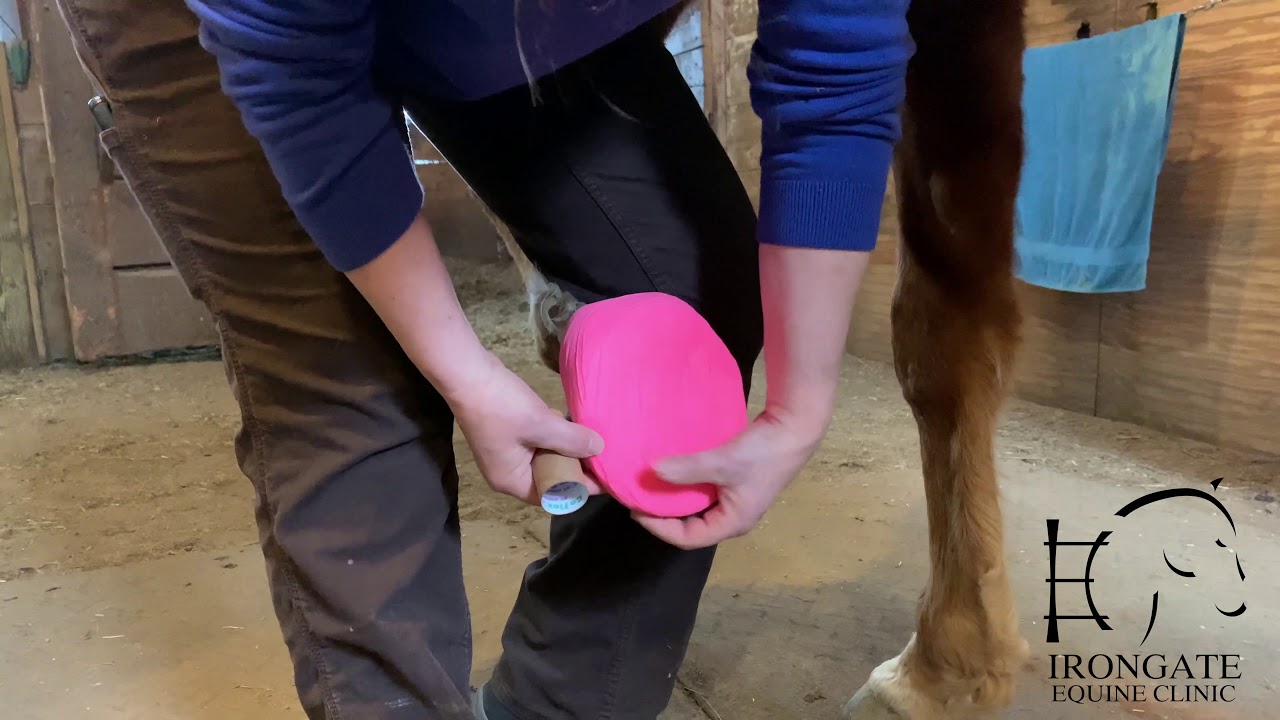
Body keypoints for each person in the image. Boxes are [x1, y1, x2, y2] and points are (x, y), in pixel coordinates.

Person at [51, 0, 911, 717]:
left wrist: (802, 403)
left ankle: (561, 703)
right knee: (346, 389)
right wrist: (463, 374)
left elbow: (837, 68)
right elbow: (296, 79)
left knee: (677, 306)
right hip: (234, 23)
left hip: (510, 16)